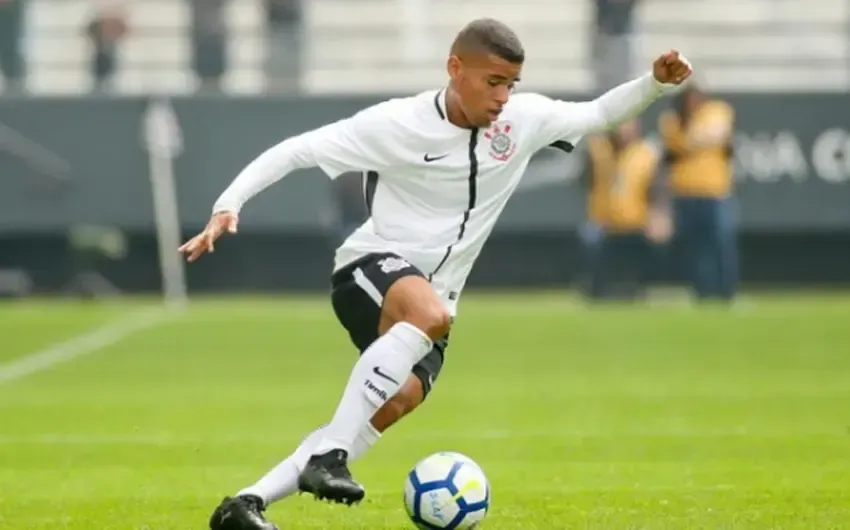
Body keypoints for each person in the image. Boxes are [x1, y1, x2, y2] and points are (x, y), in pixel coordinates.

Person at [179, 18, 692, 530]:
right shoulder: (398, 123)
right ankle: (328, 455)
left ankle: (245, 505)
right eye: (492, 82)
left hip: (436, 303)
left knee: (391, 403)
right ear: (454, 68)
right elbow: (298, 150)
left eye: (510, 84)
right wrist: (229, 203)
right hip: (369, 268)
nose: (502, 97)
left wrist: (654, 84)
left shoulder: (522, 120)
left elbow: (598, 113)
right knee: (429, 315)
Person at [658, 84, 737, 301]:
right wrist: (700, 138)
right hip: (686, 193)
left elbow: (717, 133)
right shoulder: (673, 120)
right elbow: (681, 143)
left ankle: (726, 292)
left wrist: (695, 139)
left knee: (721, 244)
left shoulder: (717, 110)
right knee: (695, 248)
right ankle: (702, 292)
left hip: (715, 192)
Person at [583, 119, 670, 300]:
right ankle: (595, 290)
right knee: (589, 240)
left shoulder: (646, 153)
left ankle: (638, 289)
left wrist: (658, 217)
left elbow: (658, 189)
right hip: (604, 221)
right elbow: (586, 181)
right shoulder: (598, 149)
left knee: (653, 247)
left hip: (636, 222)